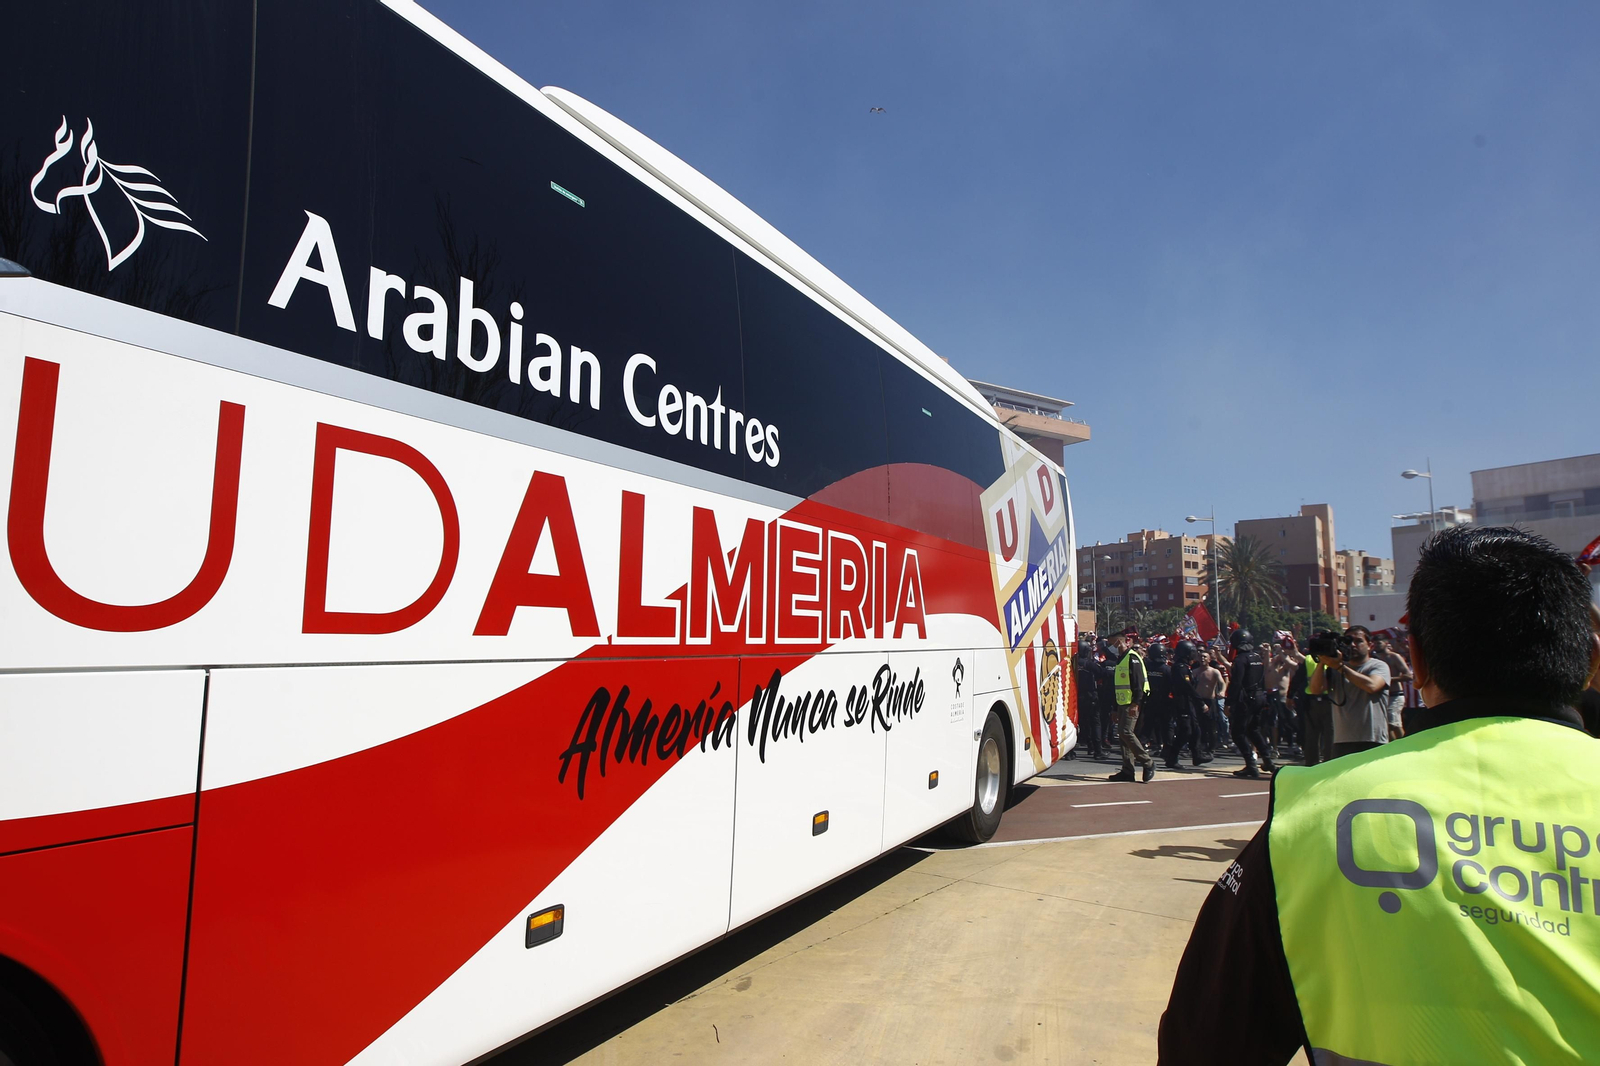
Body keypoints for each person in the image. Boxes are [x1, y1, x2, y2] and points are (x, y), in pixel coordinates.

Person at [1158, 526, 1600, 1065]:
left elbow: (1202, 1041)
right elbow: (1316, 690)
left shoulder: (1315, 817)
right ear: (1591, 658)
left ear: (1417, 655)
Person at [1310, 625, 1391, 758]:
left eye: (1359, 641)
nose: (1353, 645)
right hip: (1342, 740)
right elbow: (1315, 689)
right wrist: (1322, 662)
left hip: (1373, 739)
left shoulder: (1378, 666)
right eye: (1348, 641)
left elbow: (1372, 686)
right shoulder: (1336, 667)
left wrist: (1340, 667)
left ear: (1369, 645)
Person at [1105, 628, 1155, 783]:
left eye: (1112, 643)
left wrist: (1135, 703)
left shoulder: (1132, 658)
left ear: (1120, 641)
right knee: (1122, 736)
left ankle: (1148, 762)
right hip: (1122, 703)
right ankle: (1128, 770)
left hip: (1131, 703)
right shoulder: (1120, 659)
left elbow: (1138, 684)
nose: (1111, 646)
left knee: (1126, 732)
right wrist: (1114, 708)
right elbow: (1118, 685)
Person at [1225, 628, 1276, 779]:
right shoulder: (1257, 658)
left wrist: (1229, 703)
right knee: (1254, 730)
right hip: (1260, 697)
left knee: (1237, 733)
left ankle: (1251, 764)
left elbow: (1236, 683)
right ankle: (1268, 760)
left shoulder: (1240, 660)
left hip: (1246, 699)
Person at [1164, 640, 1211, 767]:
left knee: (1196, 730)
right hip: (1182, 703)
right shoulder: (1180, 668)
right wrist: (1200, 702)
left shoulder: (1185, 667)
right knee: (1185, 731)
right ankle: (1172, 758)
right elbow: (1187, 687)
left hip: (1188, 703)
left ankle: (1197, 755)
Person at [1289, 635, 1333, 766]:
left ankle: (1312, 763)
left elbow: (1297, 679)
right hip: (1326, 701)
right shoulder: (1333, 658)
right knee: (1328, 734)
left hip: (1314, 701)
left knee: (1312, 735)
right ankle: (1328, 762)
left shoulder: (1309, 659)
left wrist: (1290, 695)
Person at [1371, 636, 1414, 737]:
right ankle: (1394, 746)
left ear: (1386, 643)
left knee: (1392, 723)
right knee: (1386, 724)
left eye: (1379, 643)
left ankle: (1404, 744)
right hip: (1382, 697)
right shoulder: (1374, 659)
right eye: (1374, 643)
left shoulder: (1394, 657)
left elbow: (1408, 675)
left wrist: (1387, 679)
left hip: (1396, 695)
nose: (1376, 645)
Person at [1072, 636, 1104, 760]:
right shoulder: (1089, 664)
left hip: (1076, 697)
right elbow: (1102, 673)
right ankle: (1097, 750)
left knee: (1076, 724)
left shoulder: (1072, 663)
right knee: (1095, 723)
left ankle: (1070, 752)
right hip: (1090, 697)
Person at [1193, 649, 1225, 756]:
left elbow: (1222, 683)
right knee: (1199, 725)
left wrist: (1222, 691)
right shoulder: (1195, 672)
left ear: (1209, 659)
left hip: (1210, 701)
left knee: (1211, 726)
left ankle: (1211, 747)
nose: (1202, 659)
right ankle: (1201, 745)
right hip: (1198, 701)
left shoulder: (1214, 671)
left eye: (1205, 657)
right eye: (1201, 657)